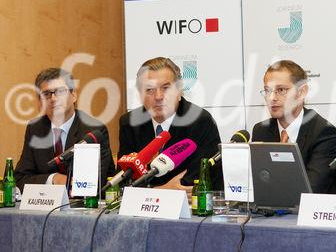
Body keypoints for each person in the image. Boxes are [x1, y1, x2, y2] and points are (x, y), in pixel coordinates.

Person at [118, 57, 223, 194]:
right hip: (142, 210)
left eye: (166, 88)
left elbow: (196, 180)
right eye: (149, 89)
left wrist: (150, 190)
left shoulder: (200, 121)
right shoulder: (130, 123)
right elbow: (124, 180)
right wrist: (161, 190)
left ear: (179, 91)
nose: (158, 96)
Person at [252, 60, 336, 194]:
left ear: (302, 92)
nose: (272, 98)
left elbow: (310, 190)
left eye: (281, 90)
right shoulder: (261, 131)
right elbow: (259, 184)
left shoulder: (324, 133)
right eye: (267, 91)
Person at [14, 68, 115, 192]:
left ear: (73, 95)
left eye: (60, 91)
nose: (53, 99)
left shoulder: (94, 131)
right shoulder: (35, 129)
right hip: (45, 207)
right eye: (46, 94)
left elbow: (93, 184)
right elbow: (20, 179)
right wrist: (53, 179)